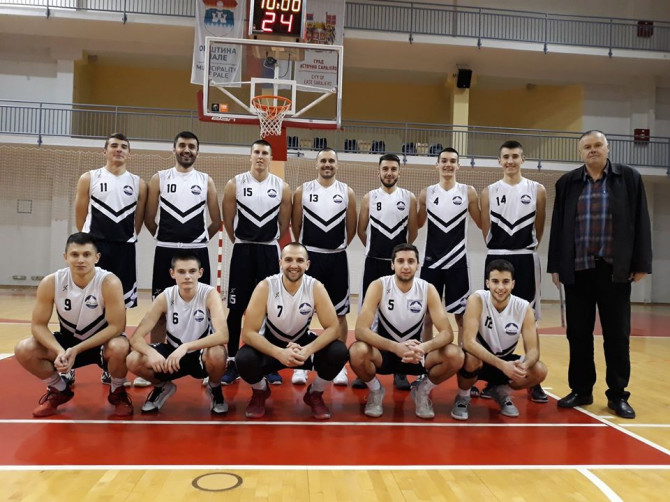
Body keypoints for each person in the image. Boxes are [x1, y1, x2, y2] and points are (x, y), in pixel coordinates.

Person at [548, 130, 652, 419]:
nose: (592, 150)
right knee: (578, 334)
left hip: (614, 271)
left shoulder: (629, 178)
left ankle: (617, 395)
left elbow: (641, 221)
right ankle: (581, 390)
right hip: (577, 269)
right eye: (587, 147)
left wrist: (641, 263)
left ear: (607, 148)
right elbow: (558, 226)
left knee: (617, 336)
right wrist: (556, 265)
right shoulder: (567, 182)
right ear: (580, 151)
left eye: (597, 145)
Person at [14, 232, 133, 417]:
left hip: (101, 343)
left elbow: (116, 327)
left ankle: (117, 392)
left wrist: (77, 349)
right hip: (68, 342)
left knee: (121, 346)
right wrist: (59, 351)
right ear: (65, 257)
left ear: (96, 258)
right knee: (24, 348)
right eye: (75, 254)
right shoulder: (51, 282)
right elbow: (38, 326)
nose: (80, 260)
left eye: (86, 254)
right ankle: (59, 389)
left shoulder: (109, 282)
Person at [235, 242, 349, 419]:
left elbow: (333, 329)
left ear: (307, 264)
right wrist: (279, 353)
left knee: (339, 352)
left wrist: (307, 350)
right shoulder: (266, 287)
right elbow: (248, 333)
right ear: (280, 263)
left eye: (299, 260)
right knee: (243, 358)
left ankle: (315, 394)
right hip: (272, 348)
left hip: (302, 346)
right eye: (288, 260)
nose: (294, 265)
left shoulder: (315, 287)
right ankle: (260, 391)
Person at [350, 244, 464, 419]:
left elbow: (447, 333)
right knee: (357, 351)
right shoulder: (379, 285)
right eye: (400, 261)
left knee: (456, 355)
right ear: (392, 264)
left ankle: (422, 391)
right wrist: (396, 347)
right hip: (385, 352)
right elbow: (360, 331)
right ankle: (376, 390)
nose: (405, 266)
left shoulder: (427, 289)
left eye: (411, 261)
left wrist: (423, 348)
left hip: (416, 354)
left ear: (418, 265)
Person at [73, 132, 148, 388]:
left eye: (123, 146)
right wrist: (89, 247)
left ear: (129, 153)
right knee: (85, 305)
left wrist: (125, 238)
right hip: (97, 248)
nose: (119, 150)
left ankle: (111, 367)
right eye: (114, 146)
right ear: (104, 151)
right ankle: (71, 365)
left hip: (124, 249)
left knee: (119, 307)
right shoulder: (90, 177)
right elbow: (80, 215)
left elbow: (138, 221)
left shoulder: (138, 183)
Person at [479, 140, 548, 404]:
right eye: (506, 156)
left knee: (531, 318)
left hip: (525, 257)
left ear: (523, 159)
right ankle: (492, 378)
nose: (510, 161)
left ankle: (533, 379)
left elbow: (539, 227)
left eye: (515, 156)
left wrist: (525, 248)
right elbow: (486, 229)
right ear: (499, 161)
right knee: (491, 318)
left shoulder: (537, 189)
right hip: (496, 255)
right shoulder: (488, 191)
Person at [221, 139, 292, 386]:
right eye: (256, 152)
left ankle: (268, 362)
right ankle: (232, 361)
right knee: (236, 309)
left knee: (270, 310)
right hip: (242, 249)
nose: (260, 156)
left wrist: (266, 243)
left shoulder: (282, 187)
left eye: (265, 153)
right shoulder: (235, 184)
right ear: (250, 156)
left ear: (271, 158)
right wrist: (242, 241)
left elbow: (284, 224)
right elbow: (228, 221)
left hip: (269, 251)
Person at [126, 250, 229, 415]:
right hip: (173, 358)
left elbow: (223, 335)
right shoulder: (165, 297)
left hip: (200, 355)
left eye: (192, 271)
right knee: (133, 359)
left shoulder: (209, 294)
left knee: (218, 353)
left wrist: (186, 347)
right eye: (181, 271)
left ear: (200, 273)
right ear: (172, 273)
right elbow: (136, 338)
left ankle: (215, 389)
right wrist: (151, 353)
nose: (187, 276)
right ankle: (162, 387)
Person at [145, 131, 221, 344]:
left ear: (197, 152)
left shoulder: (206, 180)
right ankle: (158, 352)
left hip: (197, 251)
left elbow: (216, 221)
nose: (187, 150)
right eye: (182, 145)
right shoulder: (159, 178)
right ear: (174, 149)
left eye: (191, 147)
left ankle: (203, 354)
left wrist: (199, 240)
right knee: (160, 309)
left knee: (203, 306)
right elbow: (149, 219)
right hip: (166, 250)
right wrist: (164, 237)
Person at [290, 147, 357, 386]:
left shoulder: (347, 192)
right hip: (311, 257)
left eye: (331, 161)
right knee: (302, 312)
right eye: (323, 161)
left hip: (337, 258)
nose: (327, 164)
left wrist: (336, 247)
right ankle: (300, 364)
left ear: (337, 165)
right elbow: (296, 226)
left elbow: (351, 229)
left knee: (340, 314)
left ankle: (338, 366)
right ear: (316, 164)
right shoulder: (303, 191)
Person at [451, 259, 547, 420]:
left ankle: (501, 392)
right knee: (471, 358)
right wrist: (502, 365)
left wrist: (524, 366)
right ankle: (463, 397)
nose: (500, 287)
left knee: (539, 370)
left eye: (505, 282)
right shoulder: (477, 299)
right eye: (495, 281)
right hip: (480, 360)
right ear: (487, 283)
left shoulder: (524, 308)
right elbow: (468, 342)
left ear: (513, 284)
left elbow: (533, 350)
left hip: (505, 361)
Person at [355, 153, 418, 391]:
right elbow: (362, 230)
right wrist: (375, 250)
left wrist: (398, 258)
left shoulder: (409, 198)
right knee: (368, 315)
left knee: (402, 315)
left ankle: (401, 370)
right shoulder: (369, 197)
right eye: (385, 169)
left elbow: (412, 232)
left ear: (399, 172)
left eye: (393, 169)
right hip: (373, 262)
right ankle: (365, 369)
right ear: (379, 171)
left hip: (398, 268)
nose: (389, 173)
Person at [418, 147, 481, 346]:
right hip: (431, 262)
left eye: (452, 161)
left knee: (461, 317)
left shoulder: (468, 192)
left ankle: (462, 355)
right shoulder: (426, 193)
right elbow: (417, 223)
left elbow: (482, 223)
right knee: (427, 317)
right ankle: (425, 358)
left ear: (458, 165)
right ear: (437, 164)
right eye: (444, 161)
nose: (448, 164)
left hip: (458, 262)